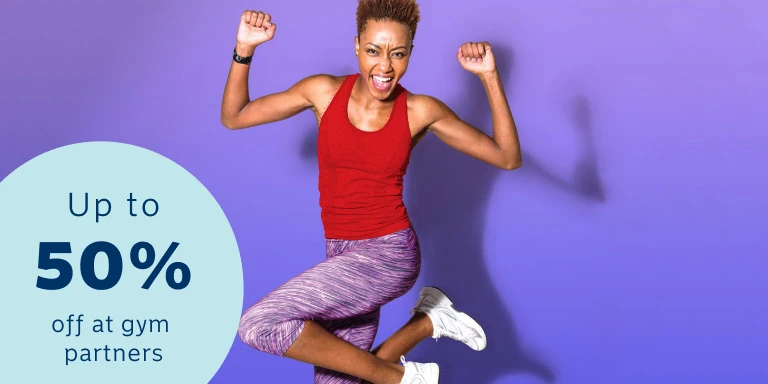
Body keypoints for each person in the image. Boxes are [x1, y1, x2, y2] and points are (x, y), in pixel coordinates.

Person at [220, 0, 522, 382]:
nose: (384, 67)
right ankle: (427, 322)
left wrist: (490, 77)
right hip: (341, 254)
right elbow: (235, 116)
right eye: (373, 51)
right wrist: (244, 49)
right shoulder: (323, 92)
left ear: (410, 53)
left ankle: (403, 379)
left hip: (389, 253)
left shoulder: (419, 110)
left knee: (259, 324)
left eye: (397, 54)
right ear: (356, 46)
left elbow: (507, 157)